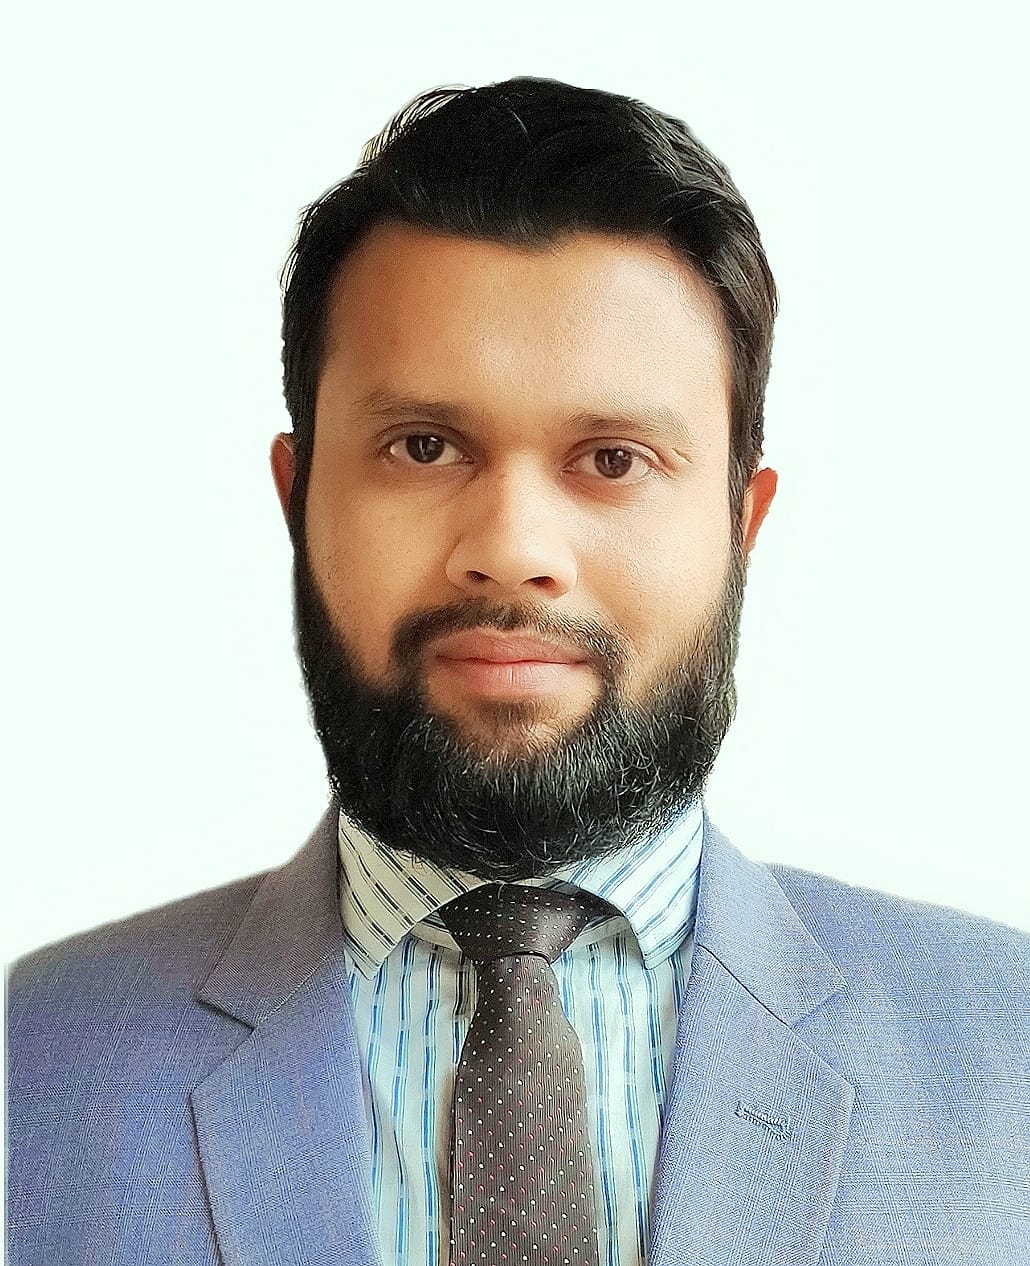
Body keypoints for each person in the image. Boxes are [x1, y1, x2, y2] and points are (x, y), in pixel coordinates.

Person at [7, 76, 1028, 1266]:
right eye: (423, 446)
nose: (511, 548)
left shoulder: (1011, 1049)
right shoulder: (29, 1058)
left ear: (740, 523)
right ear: (297, 496)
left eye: (613, 459)